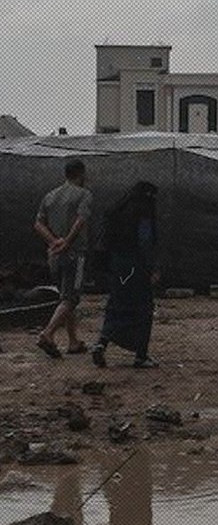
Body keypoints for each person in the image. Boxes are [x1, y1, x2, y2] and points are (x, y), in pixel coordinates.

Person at [90, 181, 160, 368]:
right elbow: (144, 242)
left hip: (117, 265)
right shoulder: (143, 213)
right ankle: (141, 355)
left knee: (117, 304)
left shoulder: (117, 212)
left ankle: (101, 343)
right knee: (143, 308)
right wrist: (151, 269)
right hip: (135, 267)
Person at [33, 158, 93, 358]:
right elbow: (81, 220)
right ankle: (48, 334)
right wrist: (67, 242)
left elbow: (38, 224)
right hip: (74, 253)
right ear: (81, 173)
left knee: (65, 296)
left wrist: (53, 242)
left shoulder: (50, 196)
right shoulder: (84, 195)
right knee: (71, 297)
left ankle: (73, 341)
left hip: (54, 255)